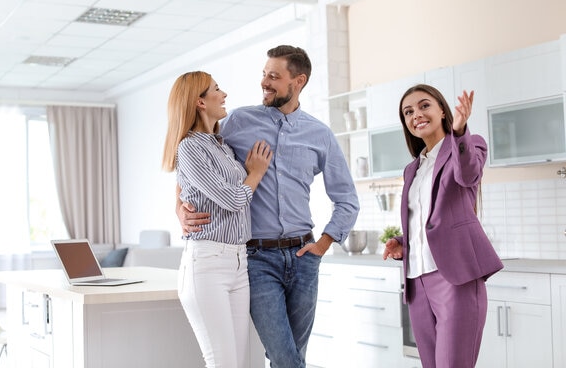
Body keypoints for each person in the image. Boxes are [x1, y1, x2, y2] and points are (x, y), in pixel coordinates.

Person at [177, 45, 360, 368]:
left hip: (304, 258)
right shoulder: (236, 122)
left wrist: (324, 244)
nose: (265, 82)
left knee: (293, 357)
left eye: (274, 77)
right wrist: (180, 207)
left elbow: (346, 198)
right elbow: (195, 162)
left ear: (298, 81)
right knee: (284, 357)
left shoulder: (320, 135)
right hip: (257, 260)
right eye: (264, 74)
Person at [383, 84, 503, 368]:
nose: (416, 115)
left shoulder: (468, 145)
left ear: (442, 111)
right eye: (408, 112)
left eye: (424, 106)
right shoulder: (413, 168)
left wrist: (460, 131)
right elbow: (426, 218)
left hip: (455, 278)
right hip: (417, 282)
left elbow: (468, 175)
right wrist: (403, 241)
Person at [162, 71, 273, 368]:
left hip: (238, 263)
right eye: (217, 89)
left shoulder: (221, 146)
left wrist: (178, 204)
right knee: (222, 363)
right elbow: (234, 200)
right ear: (200, 101)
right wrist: (257, 173)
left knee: (238, 362)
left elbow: (187, 185)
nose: (224, 95)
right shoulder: (189, 146)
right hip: (207, 265)